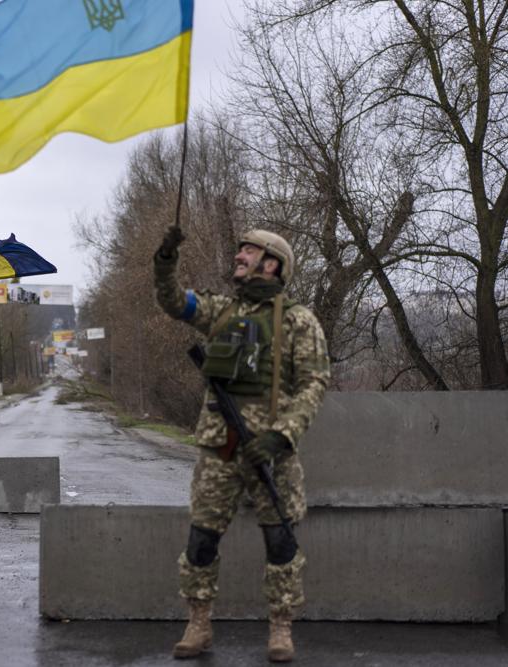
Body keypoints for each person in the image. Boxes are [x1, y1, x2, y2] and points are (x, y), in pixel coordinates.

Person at [153, 226, 330, 663]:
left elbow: (314, 384)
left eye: (250, 251)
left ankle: (281, 628)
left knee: (280, 543)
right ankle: (198, 625)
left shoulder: (298, 321)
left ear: (272, 263)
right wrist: (166, 258)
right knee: (201, 541)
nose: (240, 256)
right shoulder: (220, 311)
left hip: (273, 452)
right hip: (220, 448)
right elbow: (174, 301)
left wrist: (281, 436)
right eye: (240, 249)